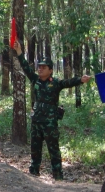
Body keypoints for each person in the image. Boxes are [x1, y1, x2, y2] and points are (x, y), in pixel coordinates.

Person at [13, 40, 91, 180]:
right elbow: (26, 67)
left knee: (53, 150)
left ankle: (58, 176)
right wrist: (19, 52)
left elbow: (68, 82)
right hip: (37, 122)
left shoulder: (55, 83)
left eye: (44, 67)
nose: (40, 69)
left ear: (50, 70)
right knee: (35, 150)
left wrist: (81, 79)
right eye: (39, 67)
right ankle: (34, 173)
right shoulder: (35, 80)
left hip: (49, 124)